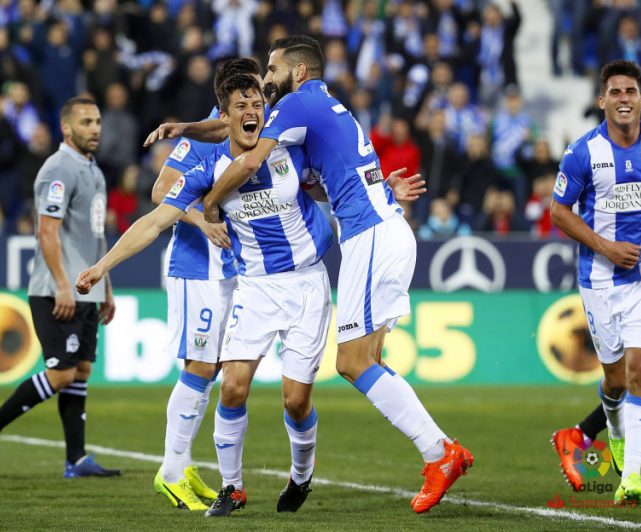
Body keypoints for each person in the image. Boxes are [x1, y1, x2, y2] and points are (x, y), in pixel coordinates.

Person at [197, 35, 472, 514]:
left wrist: (211, 202)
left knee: (351, 363)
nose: (267, 78)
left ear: (299, 71)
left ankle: (439, 452)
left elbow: (251, 159)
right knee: (369, 359)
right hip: (384, 228)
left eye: (273, 68)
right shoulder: (327, 106)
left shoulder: (296, 104)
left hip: (370, 236)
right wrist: (383, 185)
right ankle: (439, 451)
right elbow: (332, 174)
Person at [77, 73, 335, 517]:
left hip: (307, 284)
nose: (252, 113)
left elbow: (339, 178)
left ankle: (300, 475)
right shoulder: (207, 170)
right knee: (231, 387)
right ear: (224, 117)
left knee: (296, 400)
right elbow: (154, 221)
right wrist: (102, 267)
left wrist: (381, 190)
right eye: (241, 107)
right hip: (255, 288)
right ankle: (232, 487)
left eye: (257, 105)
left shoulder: (289, 149)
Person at [0, 97, 121, 479]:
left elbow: (96, 235)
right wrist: (63, 285)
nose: (95, 129)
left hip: (87, 288)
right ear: (66, 128)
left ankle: (76, 460)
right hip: (57, 290)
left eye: (97, 121)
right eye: (86, 122)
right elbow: (47, 232)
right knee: (62, 374)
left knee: (81, 370)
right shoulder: (57, 169)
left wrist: (105, 285)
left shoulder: (94, 170)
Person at [550, 60, 641, 506]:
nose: (623, 98)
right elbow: (559, 211)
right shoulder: (582, 152)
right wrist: (605, 246)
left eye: (630, 91)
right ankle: (612, 430)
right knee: (616, 380)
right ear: (602, 101)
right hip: (600, 282)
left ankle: (632, 478)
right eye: (615, 92)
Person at [148, 58, 259, 512]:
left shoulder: (254, 131)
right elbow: (161, 192)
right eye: (249, 89)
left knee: (209, 368)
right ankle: (172, 471)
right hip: (197, 264)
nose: (257, 98)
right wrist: (202, 220)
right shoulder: (204, 134)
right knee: (199, 365)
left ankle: (183, 463)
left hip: (228, 268)